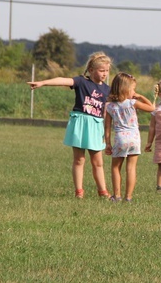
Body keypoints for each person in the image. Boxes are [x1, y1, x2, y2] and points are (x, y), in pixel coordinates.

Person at [28, 52, 113, 198]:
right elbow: (62, 80)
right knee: (79, 159)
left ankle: (102, 191)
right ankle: (79, 191)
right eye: (101, 70)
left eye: (106, 70)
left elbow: (120, 100)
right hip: (80, 122)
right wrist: (43, 83)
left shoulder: (107, 90)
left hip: (96, 125)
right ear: (91, 70)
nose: (104, 73)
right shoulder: (82, 82)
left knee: (97, 161)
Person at [104, 72, 155, 203]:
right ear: (125, 89)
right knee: (131, 168)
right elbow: (152, 108)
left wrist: (108, 143)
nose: (134, 92)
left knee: (116, 167)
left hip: (120, 138)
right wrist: (141, 97)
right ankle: (129, 197)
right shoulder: (133, 103)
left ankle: (117, 195)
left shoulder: (109, 106)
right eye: (133, 89)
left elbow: (107, 127)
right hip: (134, 138)